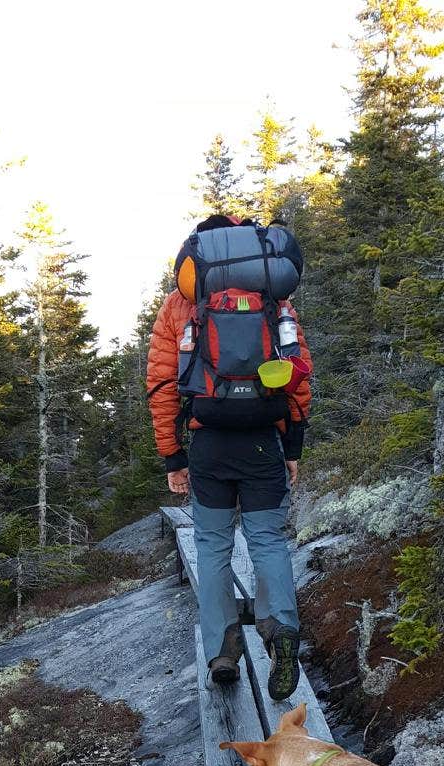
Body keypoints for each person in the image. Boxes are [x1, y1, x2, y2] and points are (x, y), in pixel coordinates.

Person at [146, 214, 312, 700]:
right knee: (267, 541)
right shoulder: (273, 299)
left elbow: (161, 386)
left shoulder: (180, 305)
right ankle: (280, 629)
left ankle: (222, 651)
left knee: (213, 548)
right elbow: (299, 373)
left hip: (210, 443)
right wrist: (293, 444)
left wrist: (172, 456)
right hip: (262, 439)